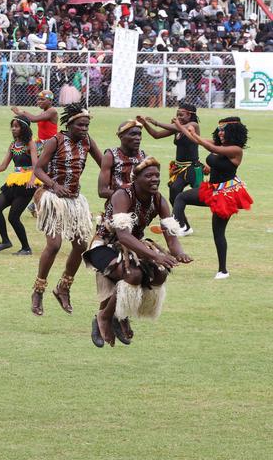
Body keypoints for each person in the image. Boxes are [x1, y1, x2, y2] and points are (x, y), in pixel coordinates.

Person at [83, 157, 191, 347]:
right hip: (105, 245)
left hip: (134, 247)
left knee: (160, 274)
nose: (154, 179)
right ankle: (104, 317)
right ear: (136, 178)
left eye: (157, 175)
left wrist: (179, 253)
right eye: (149, 176)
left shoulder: (158, 199)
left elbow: (171, 235)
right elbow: (123, 236)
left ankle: (119, 315)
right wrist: (156, 255)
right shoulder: (123, 195)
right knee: (133, 275)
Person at [30, 103, 103, 316]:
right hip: (52, 197)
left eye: (87, 125)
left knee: (81, 246)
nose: (84, 129)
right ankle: (38, 290)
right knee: (54, 245)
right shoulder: (56, 140)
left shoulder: (87, 141)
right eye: (80, 125)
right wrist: (54, 185)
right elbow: (38, 169)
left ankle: (63, 287)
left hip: (74, 199)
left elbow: (104, 164)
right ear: (70, 124)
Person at [171, 116, 252, 279]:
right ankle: (177, 226)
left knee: (218, 233)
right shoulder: (219, 144)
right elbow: (194, 139)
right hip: (211, 189)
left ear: (233, 132)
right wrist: (180, 126)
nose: (220, 133)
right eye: (219, 130)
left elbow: (208, 146)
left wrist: (196, 135)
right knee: (181, 197)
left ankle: (223, 270)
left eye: (224, 130)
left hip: (226, 195)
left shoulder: (236, 150)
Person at [0, 114, 40, 255]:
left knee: (13, 217)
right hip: (14, 181)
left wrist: (32, 179)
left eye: (16, 126)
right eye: (12, 126)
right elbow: (3, 166)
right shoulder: (13, 145)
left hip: (27, 185)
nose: (13, 129)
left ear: (24, 128)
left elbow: (36, 165)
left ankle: (26, 248)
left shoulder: (31, 143)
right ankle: (5, 241)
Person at [137, 104, 202, 230]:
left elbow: (178, 127)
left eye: (181, 115)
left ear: (190, 115)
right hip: (178, 169)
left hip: (192, 168)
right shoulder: (177, 127)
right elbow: (156, 135)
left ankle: (221, 206)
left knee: (202, 196)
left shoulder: (193, 125)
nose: (178, 117)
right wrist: (145, 124)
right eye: (177, 115)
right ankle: (184, 226)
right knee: (174, 195)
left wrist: (156, 122)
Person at [97, 120, 146, 202]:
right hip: (117, 205)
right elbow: (102, 191)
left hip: (139, 205)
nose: (138, 138)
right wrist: (128, 196)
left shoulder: (143, 157)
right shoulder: (110, 156)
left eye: (139, 134)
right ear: (121, 136)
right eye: (133, 134)